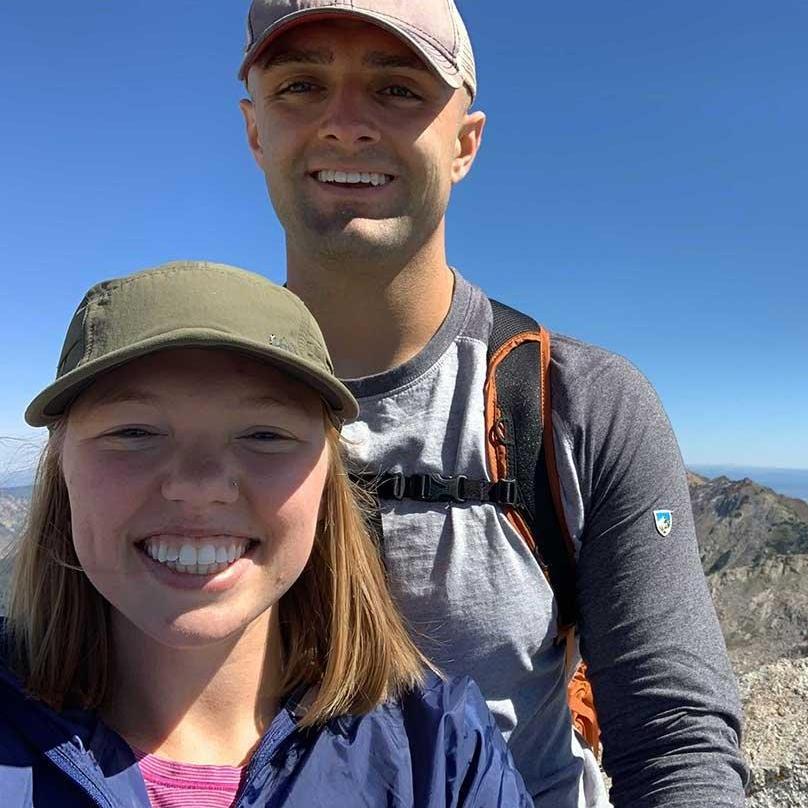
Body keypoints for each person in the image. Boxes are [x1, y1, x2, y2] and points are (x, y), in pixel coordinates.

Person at [237, 2, 749, 806]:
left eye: (397, 89)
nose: (345, 123)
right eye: (300, 84)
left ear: (466, 143)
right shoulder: (177, 402)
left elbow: (672, 734)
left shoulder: (576, 404)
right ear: (255, 130)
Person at [0, 260, 532, 807]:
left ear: (328, 479)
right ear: (60, 468)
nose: (200, 485)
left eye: (265, 434)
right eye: (133, 432)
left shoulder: (442, 758)